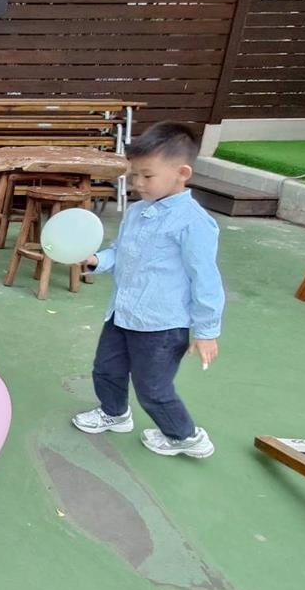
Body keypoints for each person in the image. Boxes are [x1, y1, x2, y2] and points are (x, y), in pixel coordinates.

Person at [73, 121, 224, 458]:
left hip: (162, 326)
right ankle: (114, 413)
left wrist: (206, 331)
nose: (137, 183)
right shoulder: (137, 212)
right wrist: (98, 260)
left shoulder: (193, 223)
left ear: (182, 173)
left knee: (152, 388)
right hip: (122, 314)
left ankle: (185, 436)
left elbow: (206, 280)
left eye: (147, 175)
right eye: (133, 176)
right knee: (106, 369)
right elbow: (121, 251)